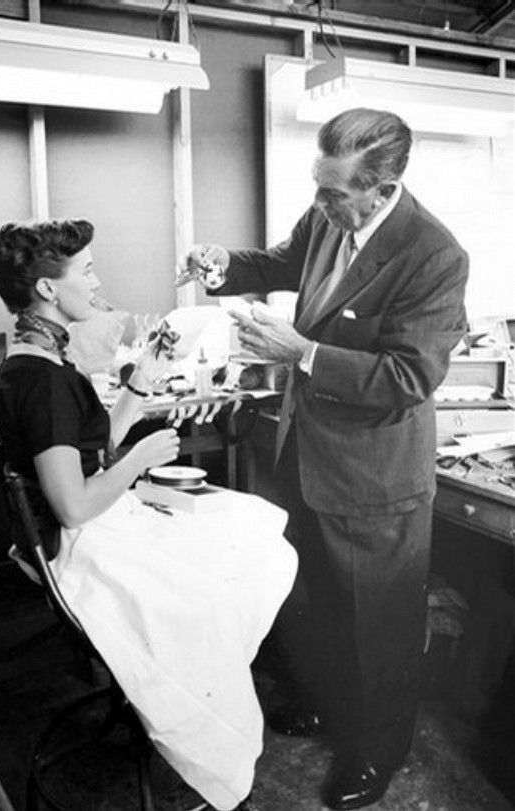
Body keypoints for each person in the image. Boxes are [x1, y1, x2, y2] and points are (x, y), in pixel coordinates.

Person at [179, 108, 469, 810]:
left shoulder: (433, 255)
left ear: (383, 188)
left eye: (334, 192)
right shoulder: (328, 217)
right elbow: (278, 261)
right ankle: (332, 706)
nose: (318, 201)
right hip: (309, 457)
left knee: (378, 625)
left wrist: (303, 353)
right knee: (318, 603)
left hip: (375, 475)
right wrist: (223, 263)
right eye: (317, 184)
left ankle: (378, 751)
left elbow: (407, 377)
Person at [0, 218, 297, 811]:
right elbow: (73, 505)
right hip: (82, 546)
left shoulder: (38, 356)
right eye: (86, 271)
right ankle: (196, 715)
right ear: (48, 289)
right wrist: (140, 461)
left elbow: (89, 443)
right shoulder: (42, 380)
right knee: (221, 578)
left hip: (91, 529)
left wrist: (144, 377)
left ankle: (199, 687)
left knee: (252, 524)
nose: (97, 282)